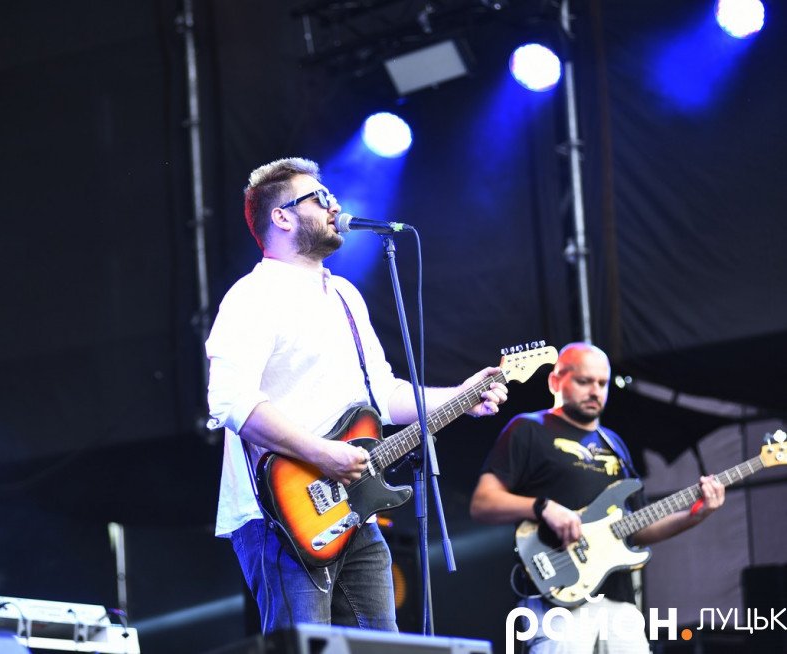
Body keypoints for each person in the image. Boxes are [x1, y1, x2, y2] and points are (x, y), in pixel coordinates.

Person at [206, 157, 508, 633]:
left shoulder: (345, 294)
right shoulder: (252, 296)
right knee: (305, 646)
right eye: (319, 198)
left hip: (355, 508)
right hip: (281, 514)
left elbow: (382, 394)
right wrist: (322, 454)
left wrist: (462, 396)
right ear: (281, 216)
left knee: (384, 645)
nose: (335, 206)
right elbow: (228, 399)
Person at [470, 342, 725, 653]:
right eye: (584, 381)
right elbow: (483, 503)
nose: (595, 391)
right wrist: (543, 507)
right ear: (555, 381)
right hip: (556, 597)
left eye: (602, 383)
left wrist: (696, 515)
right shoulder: (528, 429)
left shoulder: (614, 443)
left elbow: (636, 529)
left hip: (618, 602)